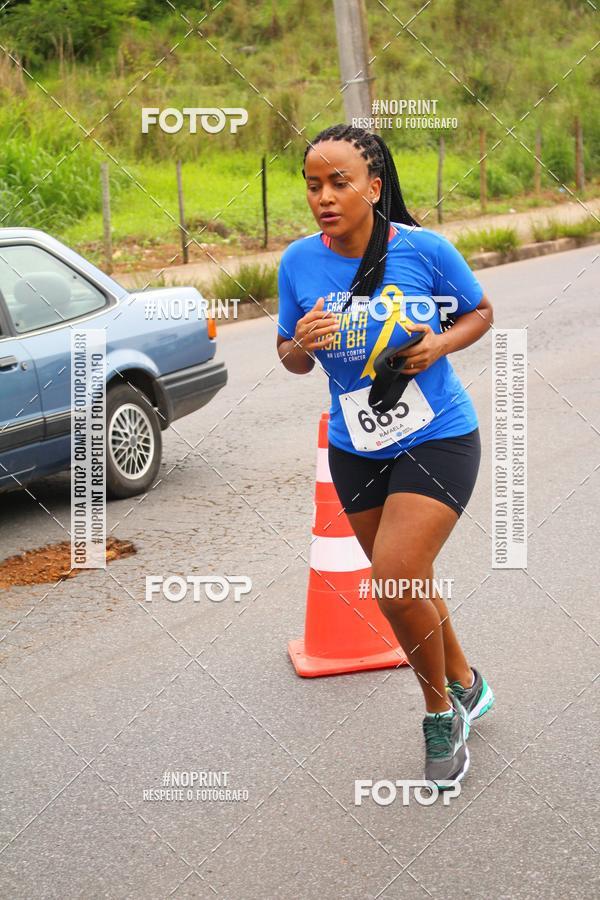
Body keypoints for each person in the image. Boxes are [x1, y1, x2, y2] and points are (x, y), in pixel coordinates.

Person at [276, 123, 494, 788]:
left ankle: (439, 713)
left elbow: (480, 311)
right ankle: (466, 681)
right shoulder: (297, 264)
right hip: (356, 448)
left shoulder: (423, 249)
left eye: (339, 182)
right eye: (313, 184)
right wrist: (303, 346)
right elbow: (287, 355)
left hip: (439, 435)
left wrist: (438, 346)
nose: (324, 196)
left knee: (396, 578)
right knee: (411, 584)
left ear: (374, 187)